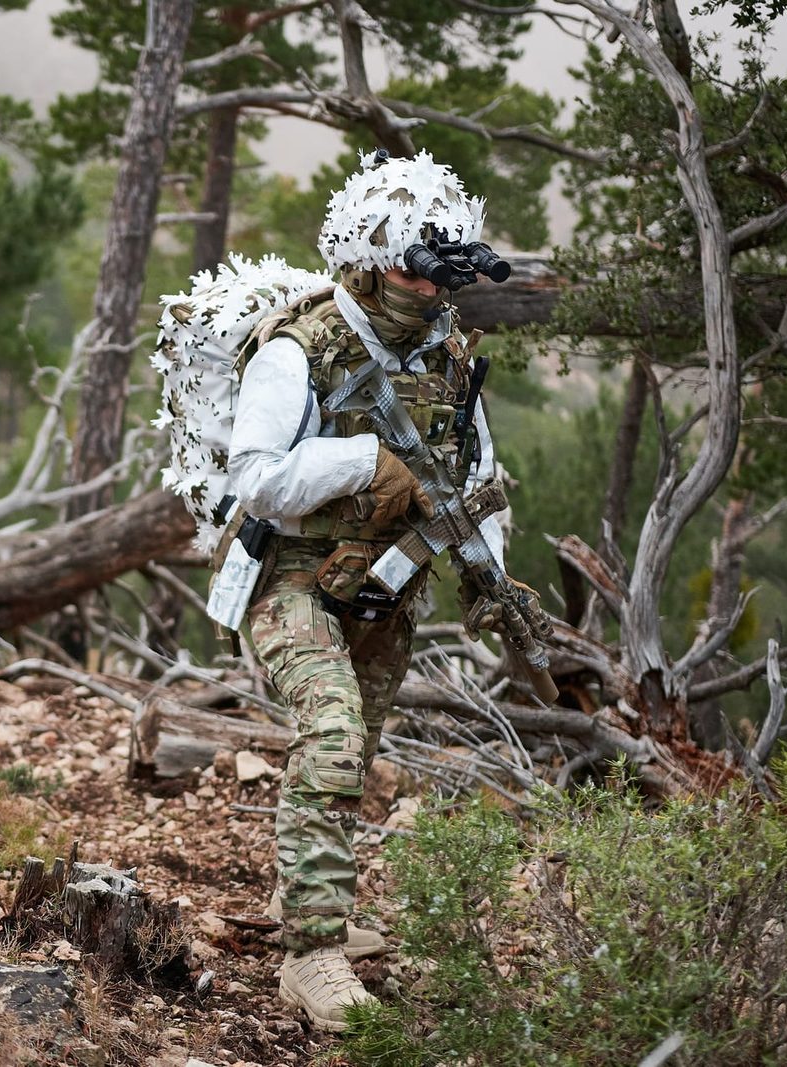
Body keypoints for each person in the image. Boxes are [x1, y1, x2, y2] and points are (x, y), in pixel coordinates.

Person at [228, 151, 537, 1030]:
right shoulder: (301, 348)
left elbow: (481, 476)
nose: (428, 291)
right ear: (366, 260)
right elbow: (255, 477)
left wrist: (494, 574)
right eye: (409, 268)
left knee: (352, 755)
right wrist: (366, 461)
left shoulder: (448, 360)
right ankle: (311, 954)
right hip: (291, 579)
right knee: (328, 730)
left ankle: (321, 905)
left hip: (387, 590)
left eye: (438, 275)